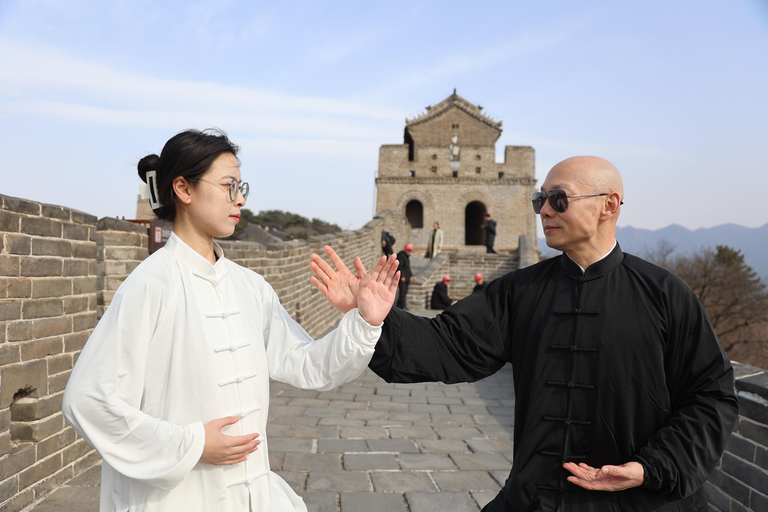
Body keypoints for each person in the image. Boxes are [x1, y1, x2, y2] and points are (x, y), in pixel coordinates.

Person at [311, 156, 738, 512]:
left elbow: (711, 395)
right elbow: (446, 345)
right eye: (540, 200)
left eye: (558, 199)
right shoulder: (520, 291)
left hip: (639, 501)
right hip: (539, 496)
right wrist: (375, 319)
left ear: (608, 206)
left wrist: (651, 467)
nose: (545, 211)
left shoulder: (664, 295)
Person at [61, 129, 400, 512]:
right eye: (228, 186)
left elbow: (306, 364)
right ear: (183, 189)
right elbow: (87, 400)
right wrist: (192, 444)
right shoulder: (150, 285)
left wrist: (364, 321)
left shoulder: (250, 287)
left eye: (242, 187)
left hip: (250, 491)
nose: (240, 199)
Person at [395, 243, 415, 310]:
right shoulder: (401, 256)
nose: (409, 251)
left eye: (410, 250)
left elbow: (407, 267)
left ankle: (401, 305)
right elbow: (400, 267)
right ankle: (401, 306)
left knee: (404, 292)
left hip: (406, 277)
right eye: (408, 250)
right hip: (402, 277)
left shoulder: (406, 256)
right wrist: (402, 276)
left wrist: (411, 275)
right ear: (405, 249)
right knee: (402, 292)